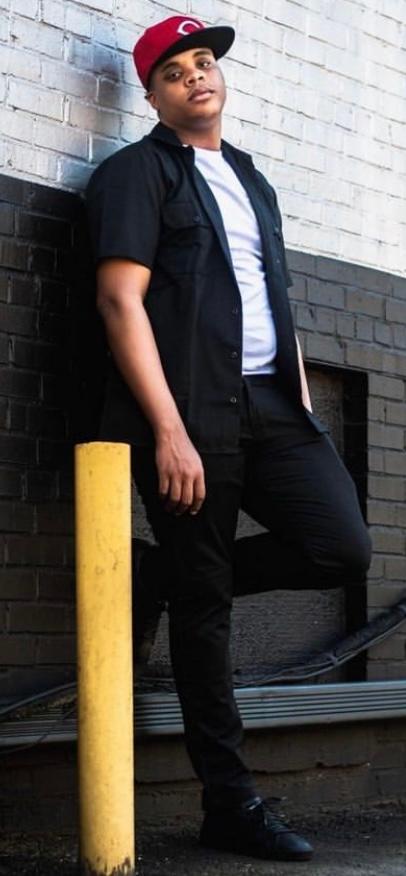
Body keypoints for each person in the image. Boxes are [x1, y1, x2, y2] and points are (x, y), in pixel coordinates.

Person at [85, 15, 371, 863]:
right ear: (153, 96)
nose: (196, 77)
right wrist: (169, 430)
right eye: (174, 72)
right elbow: (120, 302)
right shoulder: (135, 174)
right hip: (190, 410)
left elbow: (269, 291)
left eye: (203, 62)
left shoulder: (251, 177)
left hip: (274, 405)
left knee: (340, 545)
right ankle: (230, 802)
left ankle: (162, 576)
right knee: (205, 612)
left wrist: (299, 396)